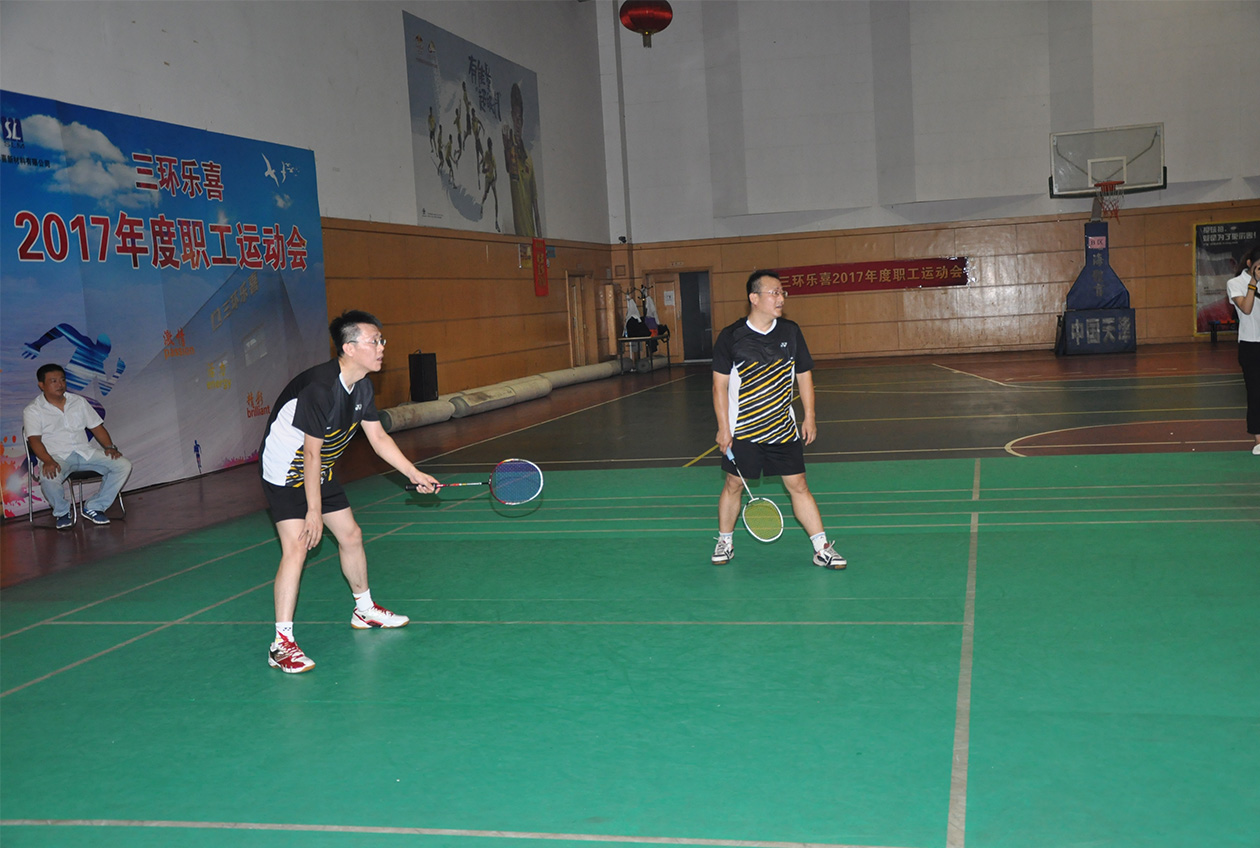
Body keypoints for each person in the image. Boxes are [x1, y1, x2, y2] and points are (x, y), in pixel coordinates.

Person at [258, 310, 439, 674]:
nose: (382, 347)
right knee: (297, 547)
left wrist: (413, 472)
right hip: (285, 472)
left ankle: (364, 610)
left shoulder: (363, 387)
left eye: (382, 340)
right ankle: (281, 644)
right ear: (349, 348)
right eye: (375, 341)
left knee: (351, 535)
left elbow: (378, 437)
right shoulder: (319, 388)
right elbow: (310, 452)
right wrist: (313, 512)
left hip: (317, 470)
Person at [711, 270, 845, 570]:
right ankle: (725, 541)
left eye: (782, 293)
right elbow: (719, 386)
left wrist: (809, 416)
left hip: (782, 429)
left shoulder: (790, 332)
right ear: (754, 298)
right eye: (774, 293)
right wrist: (723, 428)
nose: (781, 298)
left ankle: (822, 548)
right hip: (744, 430)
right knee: (733, 484)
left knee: (799, 485)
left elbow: (804, 375)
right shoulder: (732, 336)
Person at [22, 363, 132, 529]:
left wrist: (110, 447)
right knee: (48, 477)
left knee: (123, 465)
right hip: (56, 457)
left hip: (85, 453)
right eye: (53, 381)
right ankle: (62, 512)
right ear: (41, 385)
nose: (60, 384)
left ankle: (94, 507)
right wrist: (48, 460)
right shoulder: (33, 410)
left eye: (62, 380)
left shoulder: (78, 402)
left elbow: (97, 427)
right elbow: (34, 440)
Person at [1226, 244, 1260, 455]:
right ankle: (1259, 440)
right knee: (1256, 394)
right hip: (1251, 345)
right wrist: (1253, 283)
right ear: (1249, 264)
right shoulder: (1235, 283)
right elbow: (1246, 309)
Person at [502, 82, 541, 238]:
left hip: (532, 238)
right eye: (515, 118)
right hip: (517, 239)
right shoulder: (509, 150)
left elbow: (535, 205)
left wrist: (541, 238)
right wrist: (506, 147)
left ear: (522, 121)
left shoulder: (529, 159)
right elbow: (508, 167)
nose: (517, 124)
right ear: (511, 117)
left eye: (520, 119)